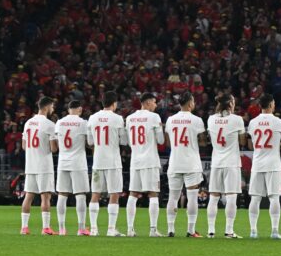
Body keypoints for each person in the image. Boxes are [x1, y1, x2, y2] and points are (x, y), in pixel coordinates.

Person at [165, 92, 207, 238]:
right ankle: (190, 230)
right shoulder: (197, 120)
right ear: (190, 103)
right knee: (192, 197)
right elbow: (202, 142)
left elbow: (168, 141)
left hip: (175, 162)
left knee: (173, 197)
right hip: (191, 163)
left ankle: (170, 229)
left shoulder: (170, 120)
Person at [247, 93, 281, 239]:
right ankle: (275, 231)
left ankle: (253, 231)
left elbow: (250, 143)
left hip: (257, 163)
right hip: (273, 164)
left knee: (255, 198)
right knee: (274, 197)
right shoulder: (279, 122)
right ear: (271, 105)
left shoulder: (253, 122)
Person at [87, 91, 127, 237]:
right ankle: (111, 229)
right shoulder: (117, 119)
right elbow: (123, 141)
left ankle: (93, 229)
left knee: (95, 194)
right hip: (113, 161)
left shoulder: (92, 118)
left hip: (98, 161)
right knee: (114, 194)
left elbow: (90, 142)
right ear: (114, 103)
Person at [125, 92, 165, 237]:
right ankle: (153, 230)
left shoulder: (129, 118)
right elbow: (160, 141)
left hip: (135, 160)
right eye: (154, 102)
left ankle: (130, 229)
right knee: (153, 194)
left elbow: (129, 142)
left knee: (133, 194)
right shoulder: (154, 117)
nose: (156, 105)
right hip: (150, 160)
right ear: (147, 103)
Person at [206, 94, 245, 239]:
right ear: (230, 104)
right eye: (233, 102)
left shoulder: (210, 119)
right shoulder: (237, 120)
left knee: (214, 196)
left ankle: (211, 230)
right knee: (231, 196)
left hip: (216, 162)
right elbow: (242, 141)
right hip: (232, 163)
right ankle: (229, 231)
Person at [20, 97, 57, 235]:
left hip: (30, 165)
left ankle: (24, 228)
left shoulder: (28, 122)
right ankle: (46, 228)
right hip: (44, 166)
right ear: (47, 107)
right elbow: (53, 149)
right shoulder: (49, 124)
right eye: (52, 106)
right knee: (45, 197)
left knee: (28, 196)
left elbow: (24, 146)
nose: (53, 109)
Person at [54, 100, 90, 236]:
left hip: (63, 161)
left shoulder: (59, 122)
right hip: (78, 162)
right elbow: (89, 142)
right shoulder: (82, 123)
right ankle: (81, 228)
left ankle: (62, 228)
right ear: (79, 109)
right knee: (80, 195)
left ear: (69, 109)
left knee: (62, 195)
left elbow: (57, 143)